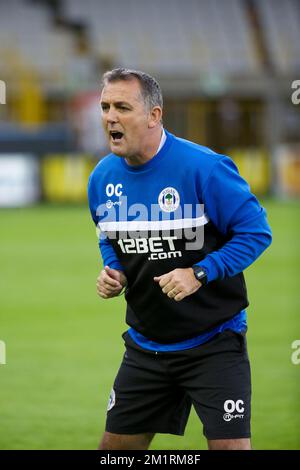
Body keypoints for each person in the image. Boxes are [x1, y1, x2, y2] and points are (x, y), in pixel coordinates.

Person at [87, 68, 272, 450]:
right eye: (105, 107)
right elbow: (108, 235)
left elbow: (256, 233)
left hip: (214, 342)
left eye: (122, 106)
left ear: (154, 115)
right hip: (146, 346)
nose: (110, 117)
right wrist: (115, 269)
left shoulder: (204, 167)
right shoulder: (102, 177)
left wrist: (200, 272)